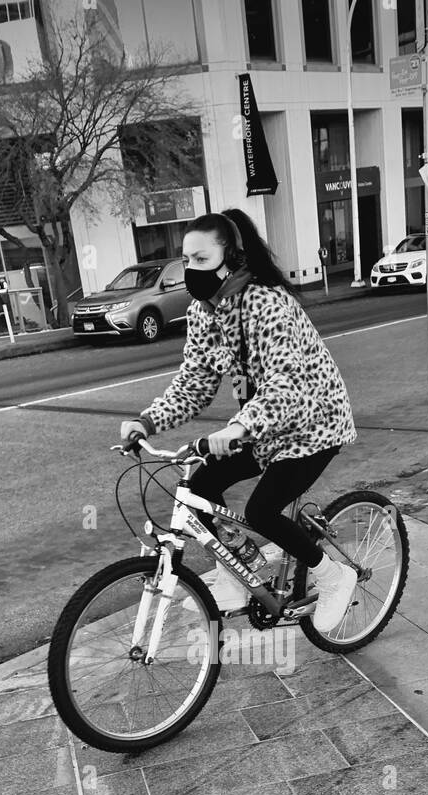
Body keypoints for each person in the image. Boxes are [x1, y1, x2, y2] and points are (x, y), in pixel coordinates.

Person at [119, 208, 358, 632]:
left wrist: (237, 429)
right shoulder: (203, 312)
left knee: (262, 510)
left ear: (232, 259)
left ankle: (334, 575)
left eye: (202, 259)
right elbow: (194, 381)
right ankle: (238, 573)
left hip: (313, 422)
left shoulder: (269, 303)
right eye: (186, 260)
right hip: (260, 425)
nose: (190, 270)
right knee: (201, 486)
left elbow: (285, 385)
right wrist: (148, 422)